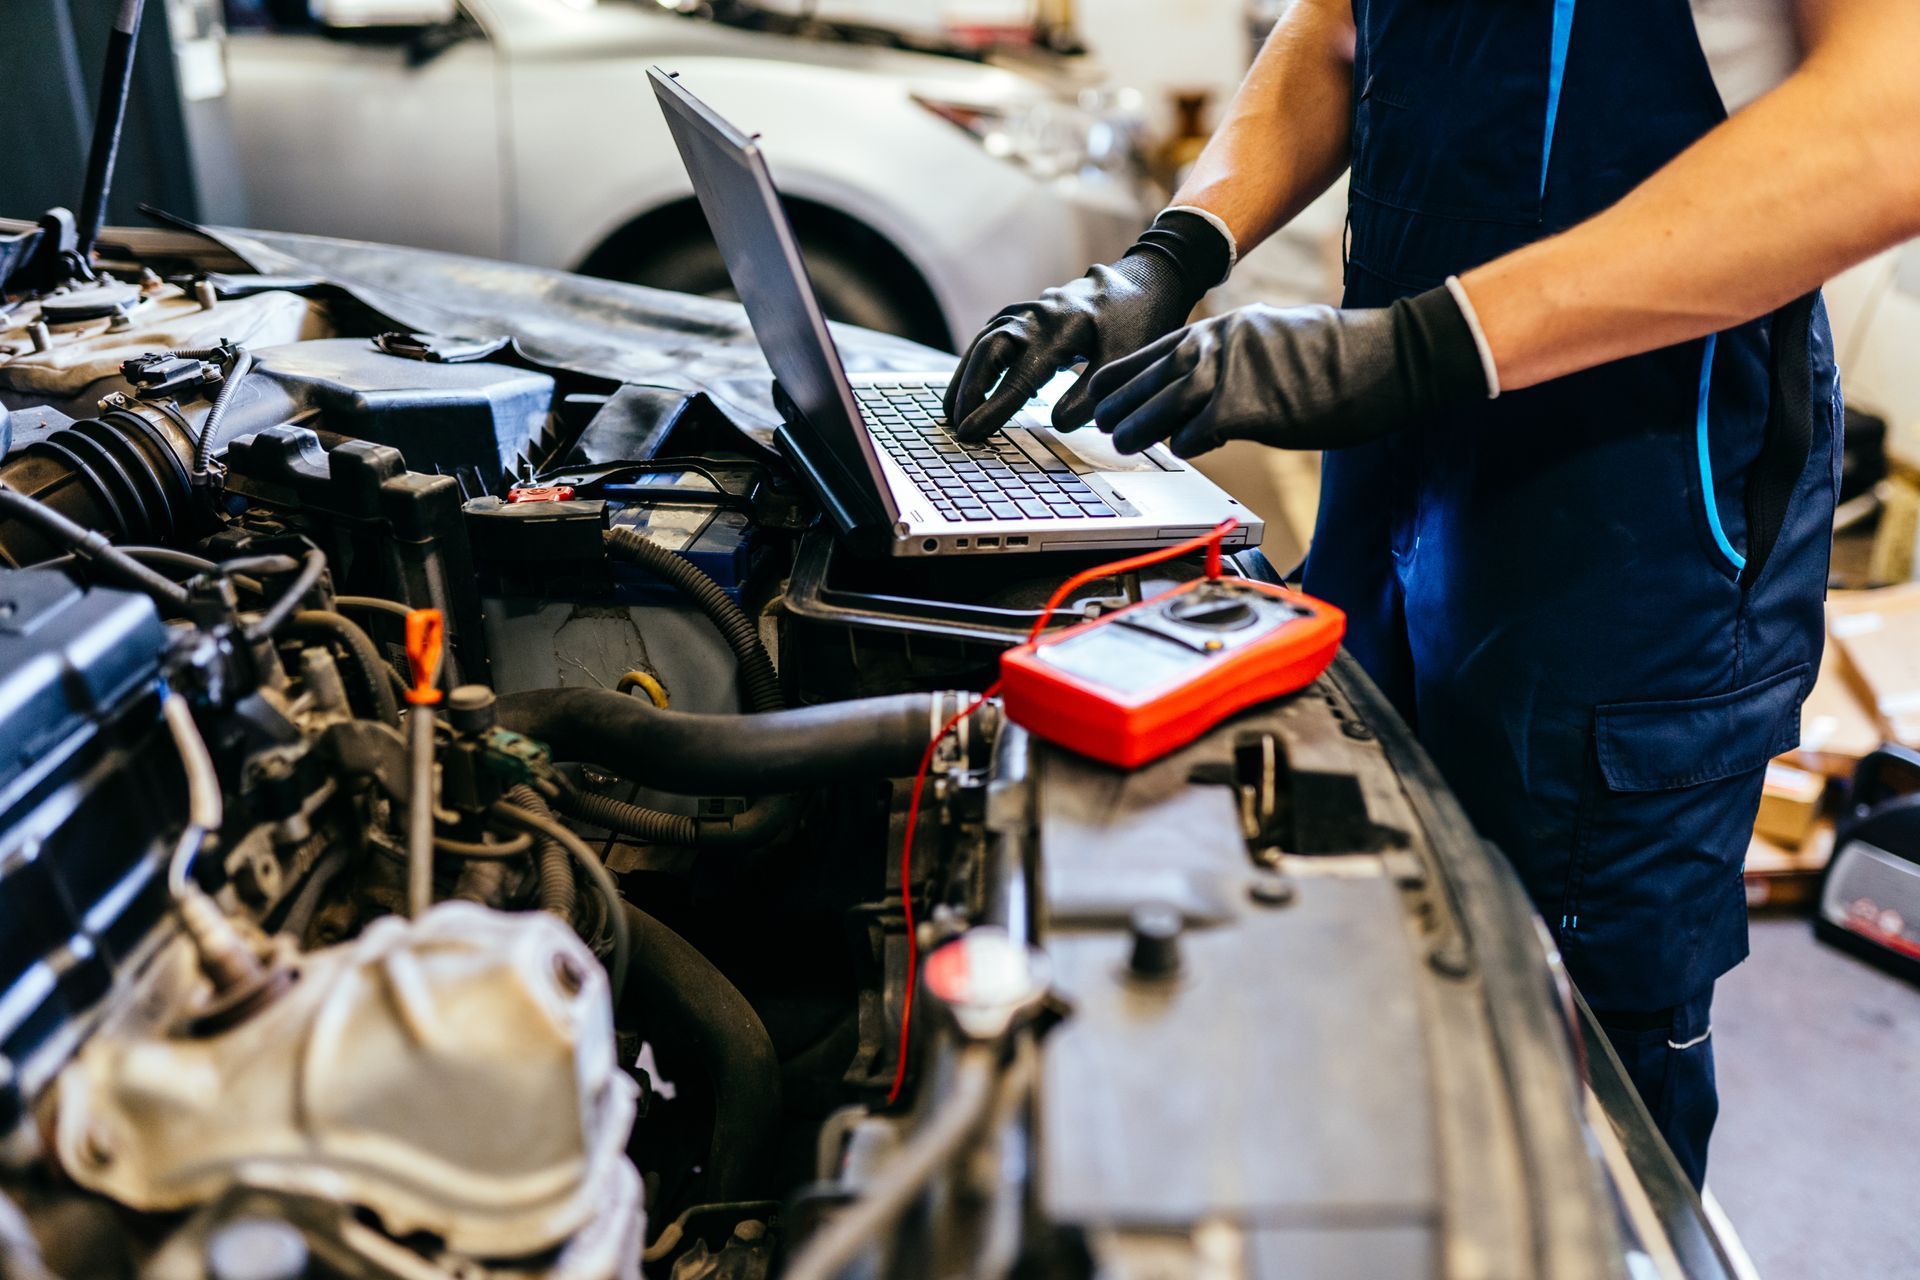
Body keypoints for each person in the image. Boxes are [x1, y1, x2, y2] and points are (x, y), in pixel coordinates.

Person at [944, 0, 1920, 1187]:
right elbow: (1343, 28)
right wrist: (1174, 256)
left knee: (1578, 1085)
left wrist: (1409, 351)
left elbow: (1889, 123)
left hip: (1635, 530)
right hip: (1392, 478)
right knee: (1351, 947)